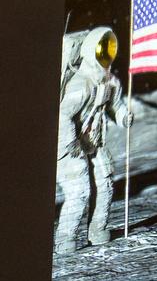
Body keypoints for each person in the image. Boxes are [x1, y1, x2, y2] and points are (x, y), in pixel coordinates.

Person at [55, 26, 130, 251]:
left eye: (109, 49)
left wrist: (125, 116)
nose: (106, 54)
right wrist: (71, 142)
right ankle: (65, 238)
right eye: (102, 49)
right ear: (90, 50)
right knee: (79, 189)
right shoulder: (82, 83)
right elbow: (63, 115)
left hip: (92, 139)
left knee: (105, 181)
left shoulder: (109, 81)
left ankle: (98, 229)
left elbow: (115, 105)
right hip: (69, 144)